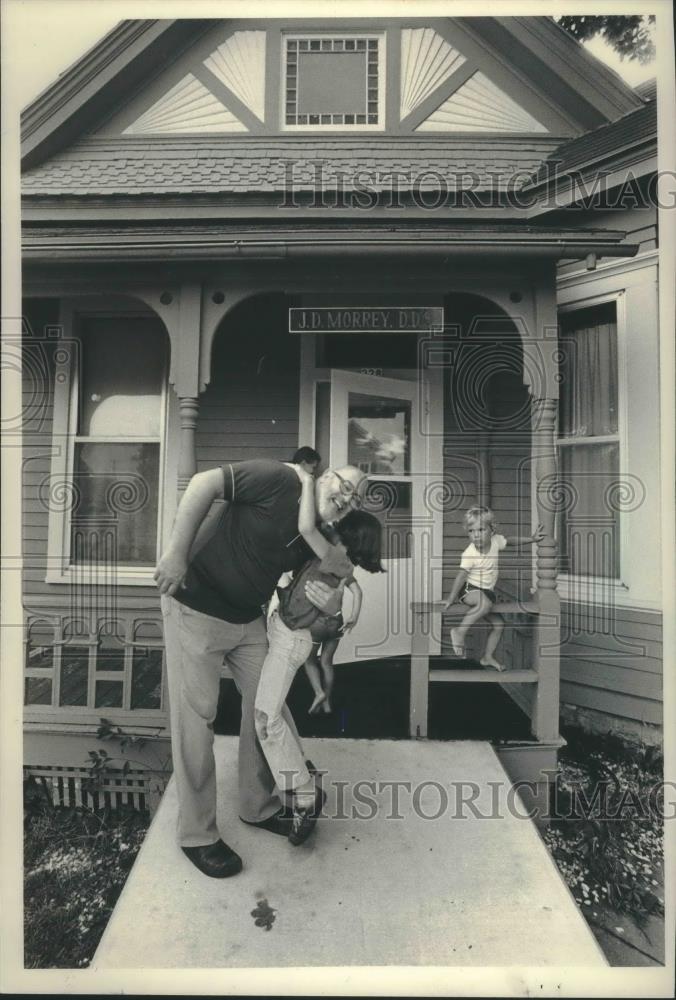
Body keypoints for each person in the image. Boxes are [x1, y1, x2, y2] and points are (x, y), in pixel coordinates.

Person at [154, 458, 367, 878]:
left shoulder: (320, 534)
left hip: (248, 619)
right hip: (195, 606)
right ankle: (197, 835)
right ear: (324, 478)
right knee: (197, 720)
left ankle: (258, 804)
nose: (346, 498)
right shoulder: (278, 479)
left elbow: (324, 598)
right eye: (344, 485)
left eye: (355, 498)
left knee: (268, 707)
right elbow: (202, 483)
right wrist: (177, 554)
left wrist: (332, 609)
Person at [254, 466, 384, 845]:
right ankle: (299, 772)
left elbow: (309, 529)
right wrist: (351, 607)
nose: (335, 529)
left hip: (289, 641)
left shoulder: (336, 557)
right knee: (267, 713)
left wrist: (309, 478)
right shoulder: (338, 561)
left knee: (266, 717)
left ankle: (306, 794)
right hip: (281, 629)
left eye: (342, 530)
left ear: (350, 542)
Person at [442, 506, 544, 670]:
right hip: (470, 590)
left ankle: (487, 657)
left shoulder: (496, 541)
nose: (476, 535)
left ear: (492, 530)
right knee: (485, 604)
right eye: (471, 531)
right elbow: (461, 576)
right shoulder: (470, 553)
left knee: (499, 625)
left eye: (481, 529)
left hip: (487, 592)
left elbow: (510, 541)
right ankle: (459, 632)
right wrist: (451, 598)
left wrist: (531, 539)